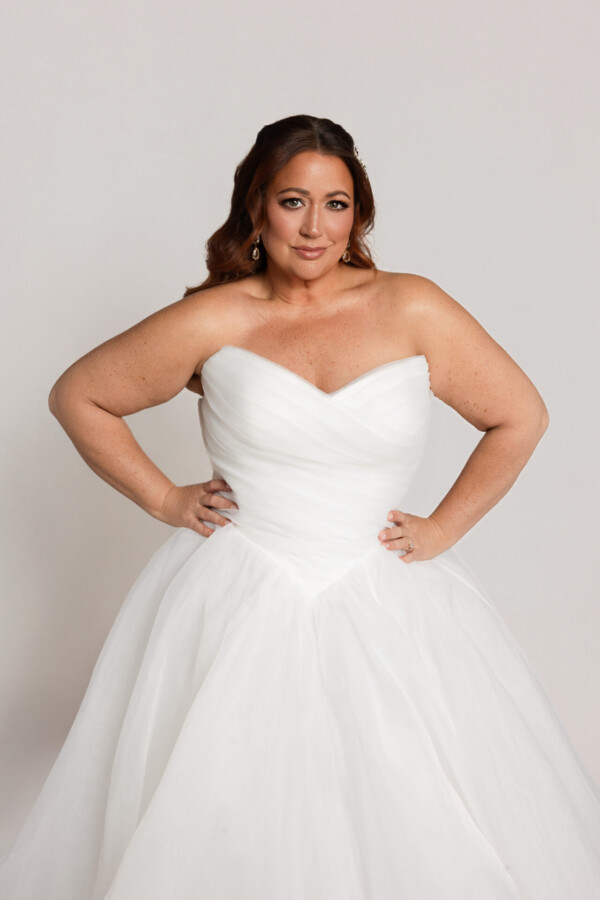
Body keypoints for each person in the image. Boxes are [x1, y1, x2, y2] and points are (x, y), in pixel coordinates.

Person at [1, 114, 599, 900]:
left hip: (386, 591)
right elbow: (79, 395)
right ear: (256, 208)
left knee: (419, 807)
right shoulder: (215, 319)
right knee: (227, 806)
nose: (315, 227)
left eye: (336, 204)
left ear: (359, 214)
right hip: (237, 591)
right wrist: (164, 496)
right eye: (292, 201)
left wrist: (444, 526)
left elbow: (522, 415)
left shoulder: (412, 306)